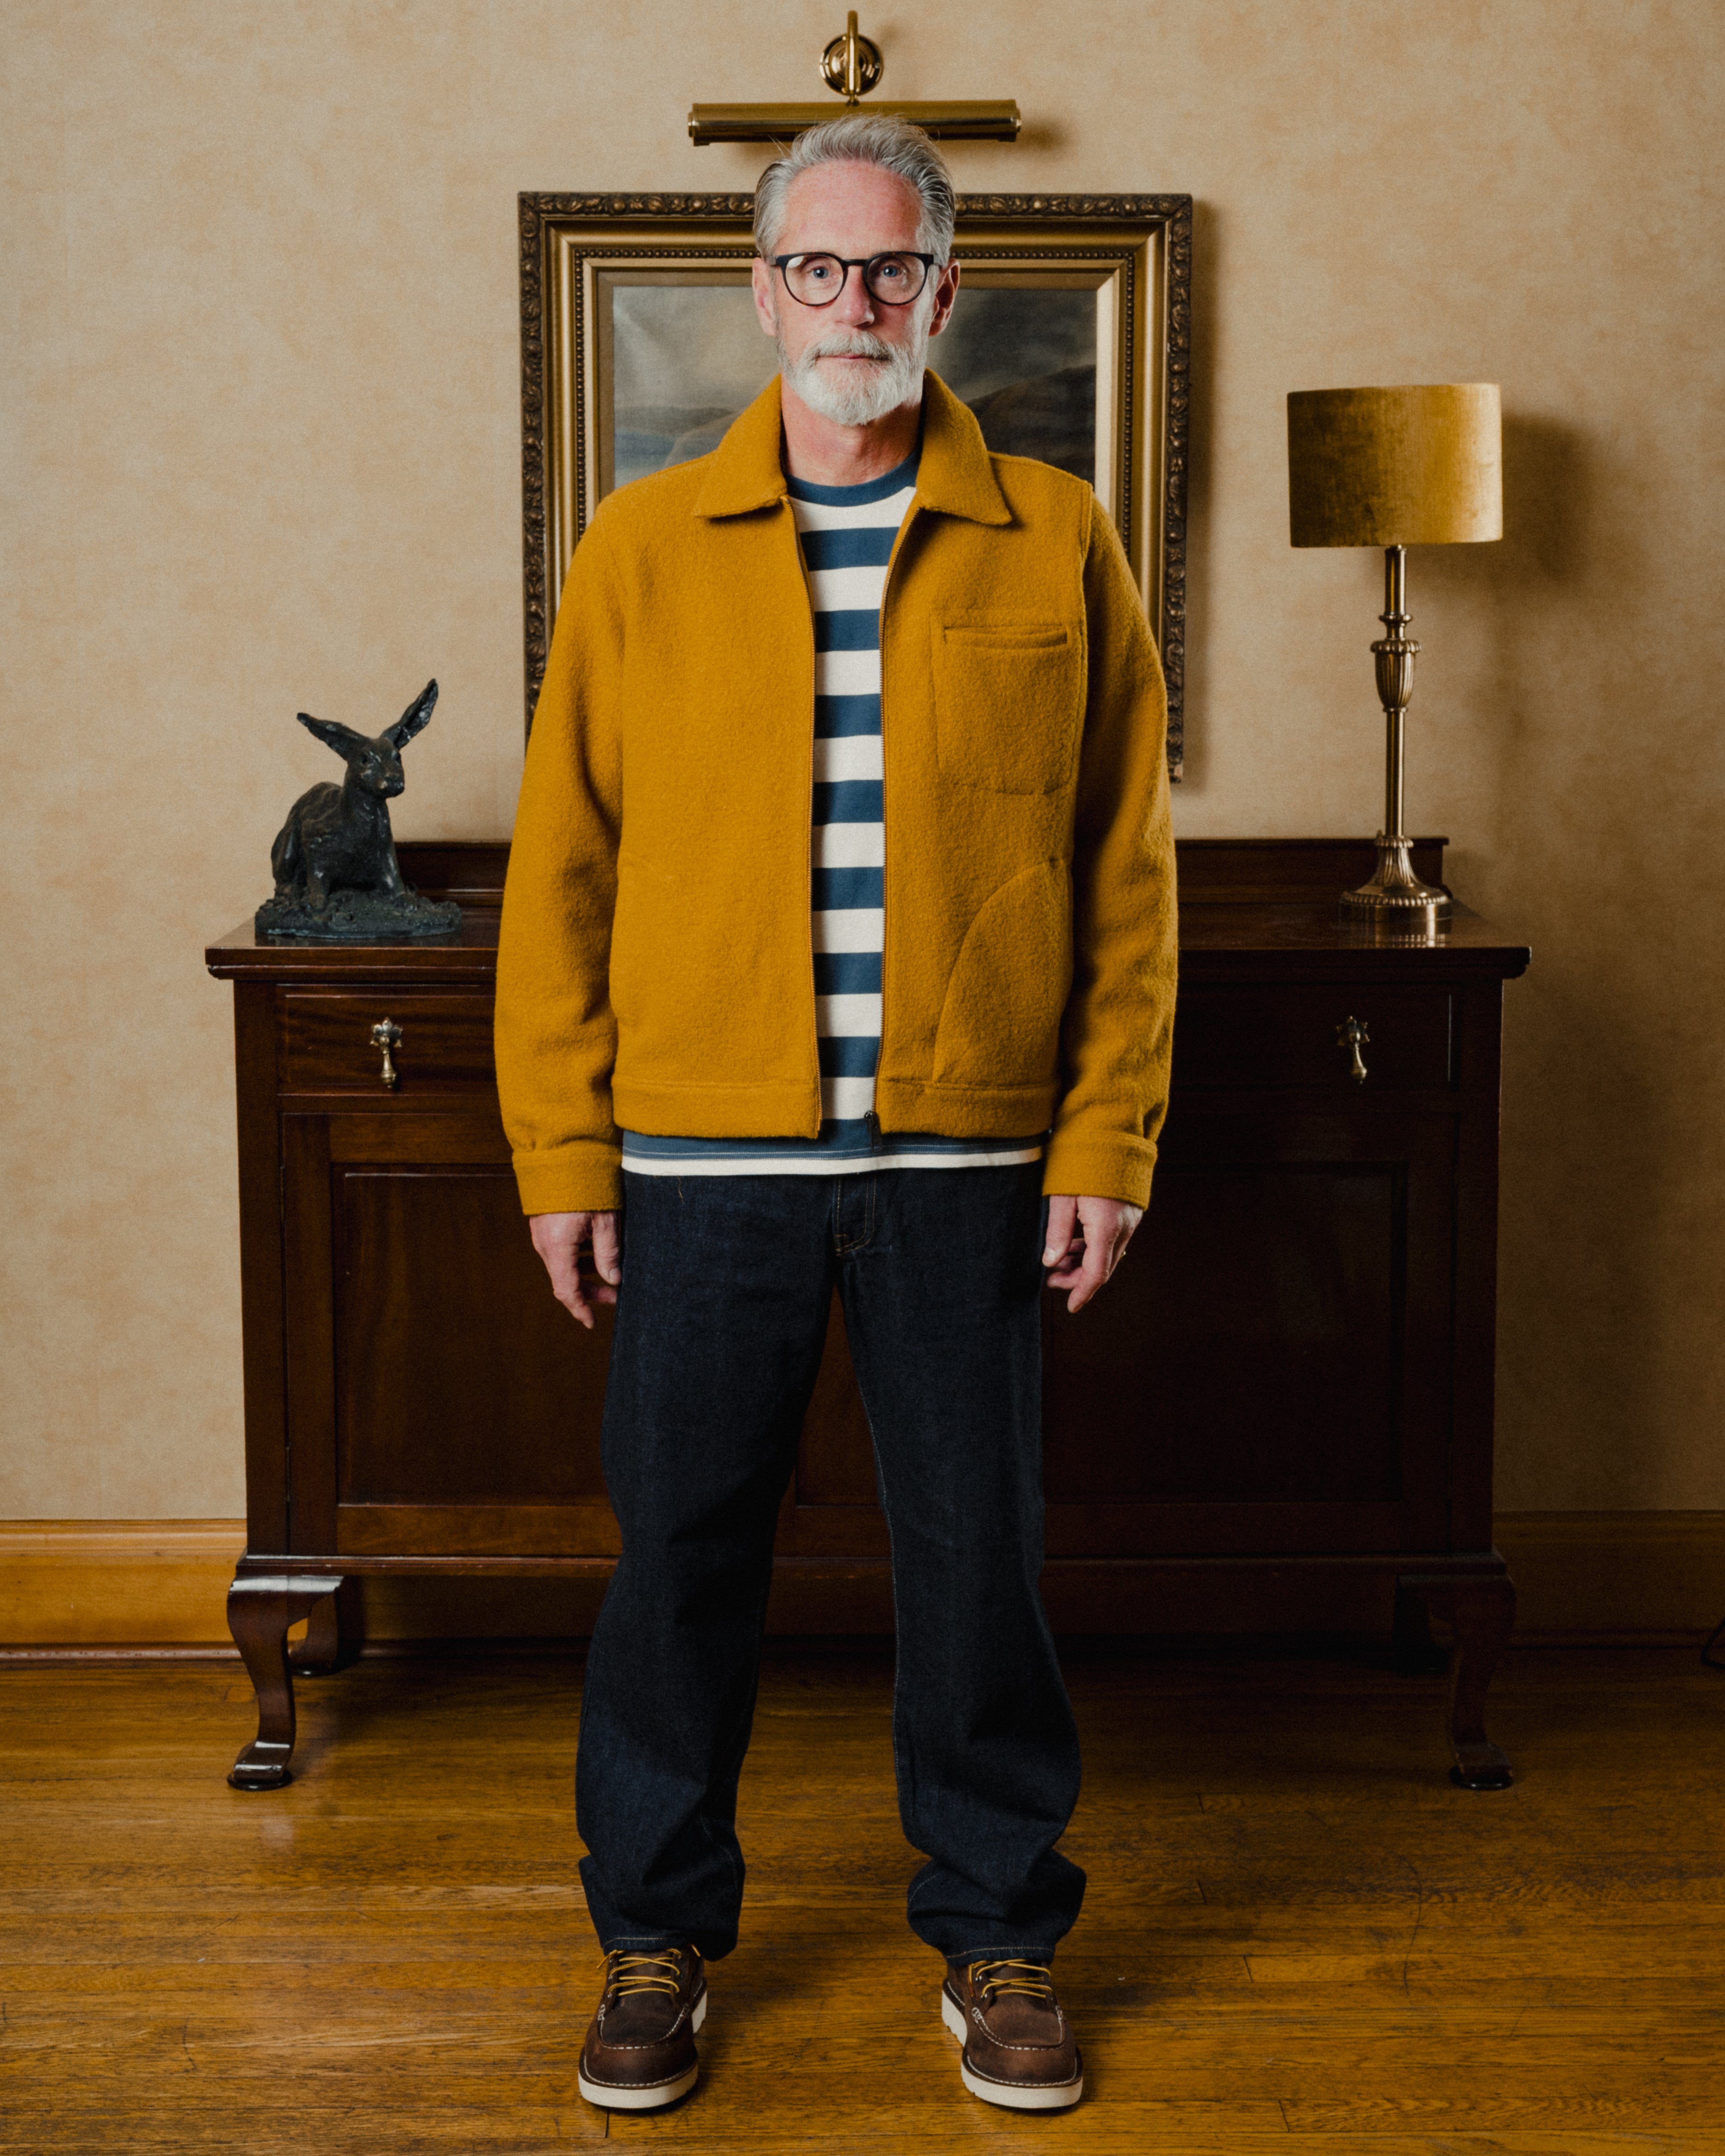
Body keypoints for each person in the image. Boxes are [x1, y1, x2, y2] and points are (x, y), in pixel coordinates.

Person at [495, 112, 1176, 2115]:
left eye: (891, 270)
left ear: (945, 295)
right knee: (681, 1559)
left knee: (980, 1561)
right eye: (817, 267)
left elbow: (1123, 873)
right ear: (763, 291)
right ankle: (653, 1932)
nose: (853, 304)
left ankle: (998, 1933)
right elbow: (564, 877)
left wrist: (1105, 1139)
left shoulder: (1057, 535)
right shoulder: (636, 552)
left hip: (968, 1166)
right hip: (702, 1171)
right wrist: (561, 1156)